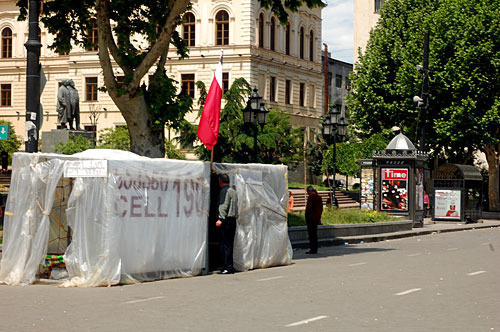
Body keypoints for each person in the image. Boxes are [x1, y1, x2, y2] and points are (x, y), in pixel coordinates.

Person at [216, 174, 238, 274]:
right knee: (229, 244)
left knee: (224, 245)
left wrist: (220, 218)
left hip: (226, 220)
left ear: (221, 181)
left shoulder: (224, 191)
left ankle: (226, 267)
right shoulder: (233, 191)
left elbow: (223, 205)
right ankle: (229, 266)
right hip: (233, 220)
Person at [305, 186, 323, 254]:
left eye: (308, 191)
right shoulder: (317, 197)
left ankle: (313, 249)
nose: (308, 193)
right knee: (313, 234)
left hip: (312, 218)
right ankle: (313, 248)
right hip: (314, 218)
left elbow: (311, 208)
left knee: (312, 234)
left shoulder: (314, 197)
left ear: (311, 191)